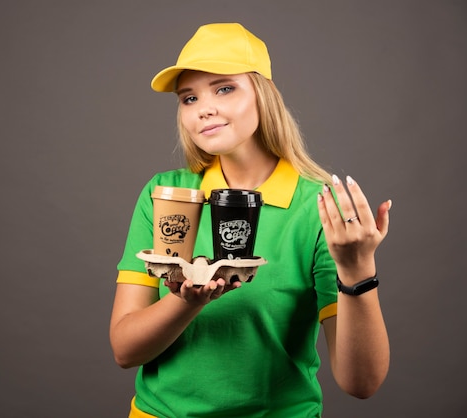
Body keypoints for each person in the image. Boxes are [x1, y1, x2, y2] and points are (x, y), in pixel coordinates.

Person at [110, 22, 391, 417]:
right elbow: (125, 350)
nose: (203, 107)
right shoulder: (166, 194)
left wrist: (358, 268)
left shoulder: (320, 207)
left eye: (224, 88)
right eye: (188, 98)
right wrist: (188, 301)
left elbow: (360, 383)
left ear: (263, 95)